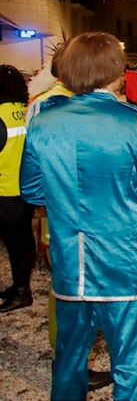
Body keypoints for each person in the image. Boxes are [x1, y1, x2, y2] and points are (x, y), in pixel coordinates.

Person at [20, 32, 137, 400]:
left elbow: (31, 189)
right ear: (116, 72)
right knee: (130, 363)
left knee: (69, 358)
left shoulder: (43, 120)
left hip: (70, 259)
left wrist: (64, 200)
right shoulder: (135, 121)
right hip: (123, 260)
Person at [0, 65, 36, 313]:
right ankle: (20, 286)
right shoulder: (27, 112)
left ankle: (22, 291)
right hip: (26, 189)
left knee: (15, 244)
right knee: (23, 240)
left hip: (4, 190)